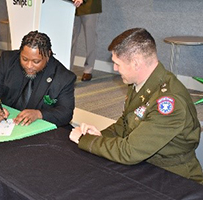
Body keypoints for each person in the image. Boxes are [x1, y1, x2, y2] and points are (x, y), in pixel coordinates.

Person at [69, 28, 203, 184]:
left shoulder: (168, 103)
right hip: (146, 165)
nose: (114, 69)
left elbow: (129, 152)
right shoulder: (139, 83)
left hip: (174, 178)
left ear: (136, 63)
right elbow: (125, 123)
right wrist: (101, 135)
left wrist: (86, 140)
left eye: (117, 64)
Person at [0, 30, 77, 128]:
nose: (29, 66)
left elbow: (65, 113)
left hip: (41, 127)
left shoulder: (64, 77)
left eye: (36, 61)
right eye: (24, 59)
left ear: (48, 55)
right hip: (10, 121)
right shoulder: (7, 60)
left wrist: (38, 114)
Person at [70, 0, 102, 81]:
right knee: (70, 39)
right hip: (72, 5)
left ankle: (88, 70)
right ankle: (67, 67)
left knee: (90, 38)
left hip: (89, 5)